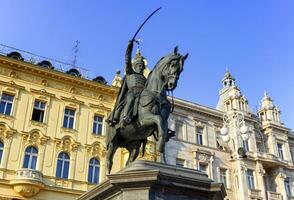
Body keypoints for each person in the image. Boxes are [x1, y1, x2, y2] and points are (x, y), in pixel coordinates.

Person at [107, 40, 146, 128]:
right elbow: (127, 60)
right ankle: (125, 117)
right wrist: (129, 47)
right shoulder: (130, 73)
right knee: (131, 97)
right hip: (132, 93)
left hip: (142, 95)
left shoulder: (145, 78)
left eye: (142, 66)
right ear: (135, 66)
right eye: (139, 65)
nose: (140, 67)